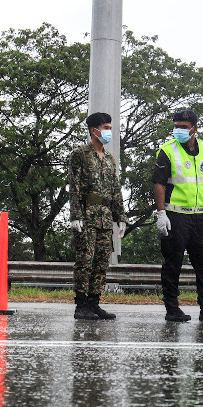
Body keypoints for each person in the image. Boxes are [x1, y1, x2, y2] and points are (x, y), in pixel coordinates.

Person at [152, 109, 203, 323]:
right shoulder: (167, 151)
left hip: (198, 217)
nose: (178, 130)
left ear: (194, 129)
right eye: (176, 126)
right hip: (175, 215)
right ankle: (172, 309)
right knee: (173, 263)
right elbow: (159, 184)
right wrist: (161, 213)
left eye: (183, 127)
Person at [68, 112, 127, 320]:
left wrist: (121, 217)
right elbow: (74, 187)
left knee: (102, 261)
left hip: (105, 216)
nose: (109, 132)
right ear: (94, 130)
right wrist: (75, 215)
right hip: (86, 216)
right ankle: (81, 305)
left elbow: (115, 190)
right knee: (85, 260)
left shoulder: (110, 159)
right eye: (106, 128)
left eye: (110, 128)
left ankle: (94, 303)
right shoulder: (80, 154)